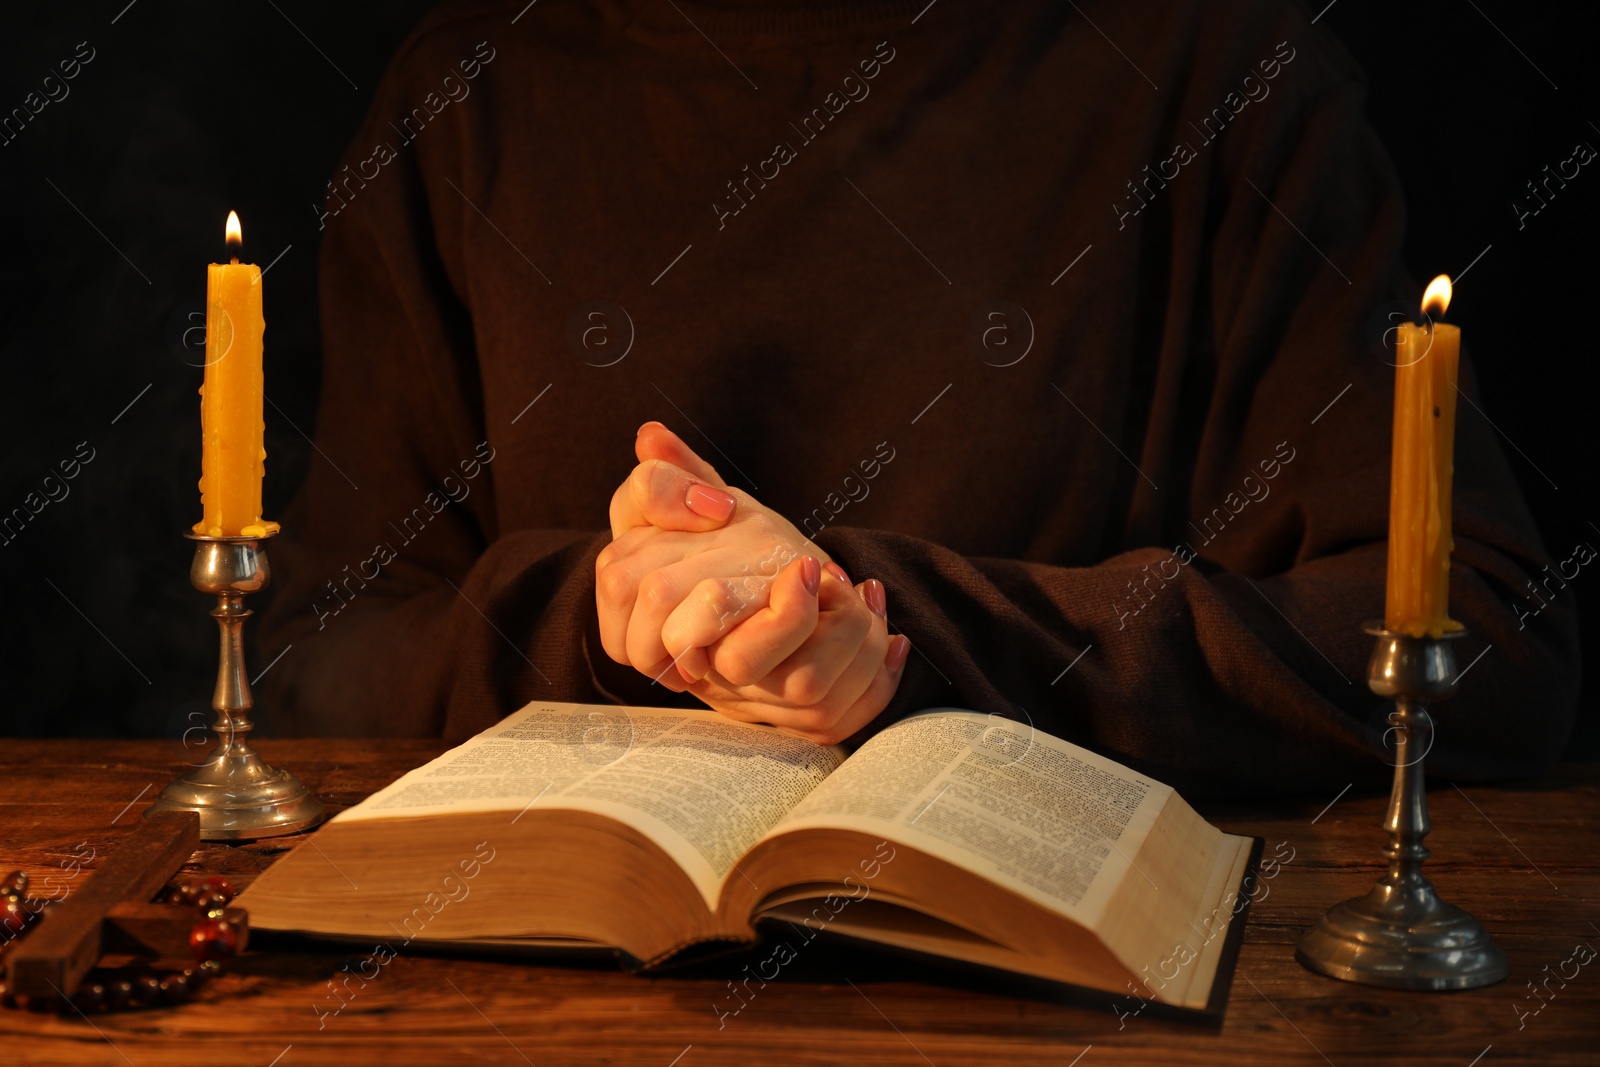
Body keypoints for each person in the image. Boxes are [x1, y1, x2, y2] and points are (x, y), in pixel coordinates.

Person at [261, 0, 1579, 797]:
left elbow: (1480, 647)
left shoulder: (1220, 69)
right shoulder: (472, 92)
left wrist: (881, 629)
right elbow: (316, 666)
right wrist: (627, 619)